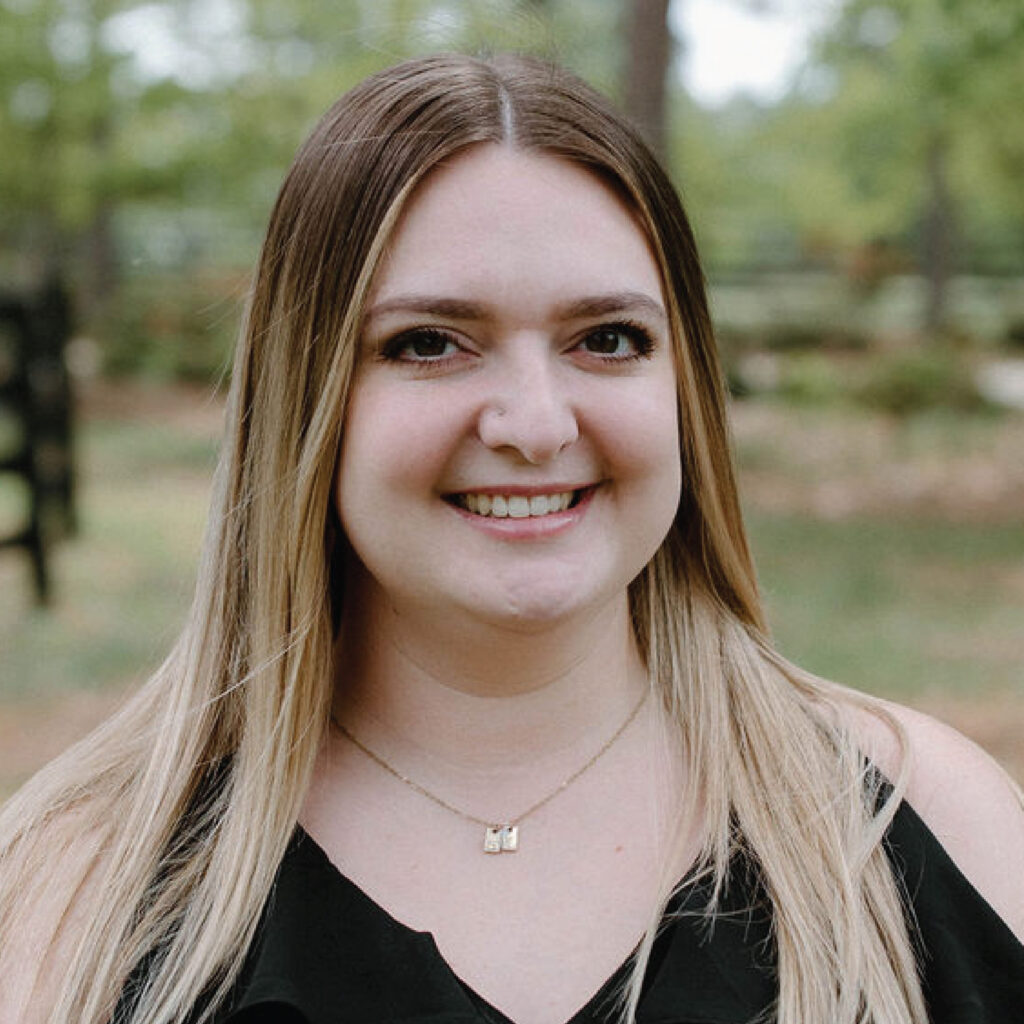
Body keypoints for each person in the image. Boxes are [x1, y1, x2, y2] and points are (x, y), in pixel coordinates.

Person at [1, 52, 1022, 1024]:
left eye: (606, 339)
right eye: (430, 343)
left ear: (684, 389)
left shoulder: (922, 825)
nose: (534, 424)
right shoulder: (81, 882)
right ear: (303, 400)